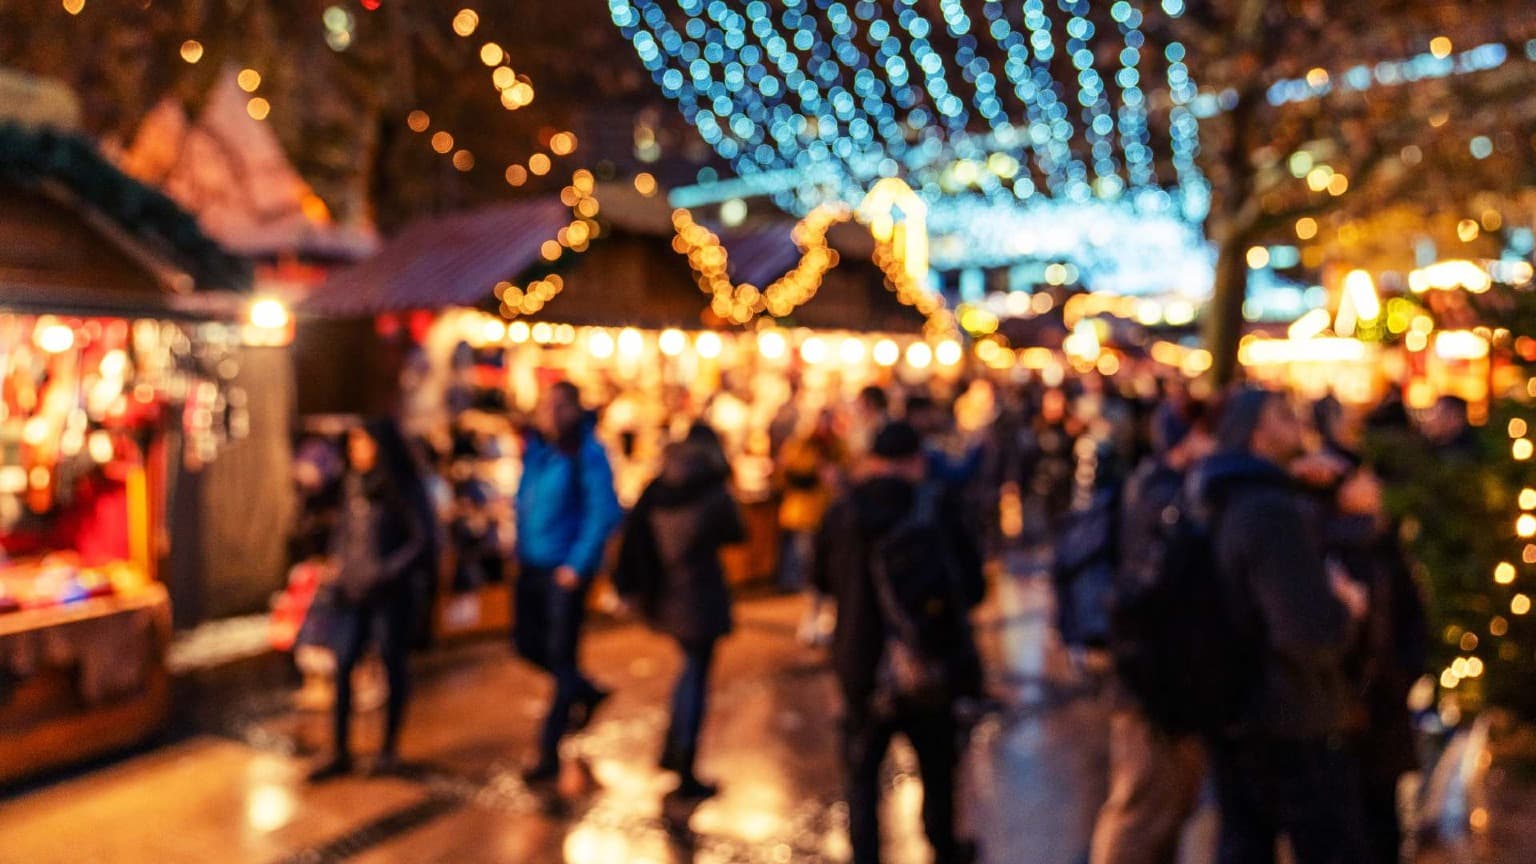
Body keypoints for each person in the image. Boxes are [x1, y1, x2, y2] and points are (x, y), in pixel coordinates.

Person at [1199, 388, 1367, 864]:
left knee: (1244, 843)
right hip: (1294, 715)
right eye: (1284, 416)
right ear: (1257, 432)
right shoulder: (1269, 511)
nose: (1298, 423)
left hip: (1237, 708)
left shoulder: (1220, 495)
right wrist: (1347, 607)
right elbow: (1309, 634)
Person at [813, 421, 984, 864]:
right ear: (917, 461)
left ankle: (866, 854)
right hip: (928, 664)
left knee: (862, 776)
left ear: (872, 462)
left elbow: (820, 578)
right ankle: (943, 845)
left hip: (861, 664)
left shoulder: (842, 513)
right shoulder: (936, 508)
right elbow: (973, 586)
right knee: (937, 765)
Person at [1090, 401, 1214, 864]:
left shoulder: (1159, 486)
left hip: (1156, 679)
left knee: (1164, 806)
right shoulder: (1164, 497)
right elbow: (1149, 595)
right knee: (1141, 809)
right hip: (1150, 682)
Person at [614, 424, 745, 799]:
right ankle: (684, 762)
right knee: (696, 674)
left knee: (690, 669)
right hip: (699, 595)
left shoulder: (658, 488)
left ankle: (673, 751)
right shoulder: (712, 491)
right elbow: (737, 532)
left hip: (667, 594)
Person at [513, 381, 623, 783]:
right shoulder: (539, 450)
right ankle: (584, 690)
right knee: (527, 644)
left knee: (561, 658)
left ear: (575, 409)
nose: (550, 413)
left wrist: (577, 564)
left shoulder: (587, 452)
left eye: (559, 406)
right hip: (532, 565)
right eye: (547, 405)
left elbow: (604, 511)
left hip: (564, 571)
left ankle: (548, 751)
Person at [309, 418, 430, 781]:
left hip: (388, 597)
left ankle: (388, 751)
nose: (357, 450)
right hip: (351, 593)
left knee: (392, 666)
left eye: (364, 442)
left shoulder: (401, 487)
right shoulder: (353, 484)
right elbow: (344, 530)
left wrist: (386, 571)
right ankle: (339, 750)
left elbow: (421, 539)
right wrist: (337, 562)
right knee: (343, 665)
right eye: (354, 443)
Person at [775, 408, 846, 645]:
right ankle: (812, 619)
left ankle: (825, 619)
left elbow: (847, 474)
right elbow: (787, 476)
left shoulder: (839, 447)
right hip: (805, 516)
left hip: (830, 515)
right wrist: (815, 472)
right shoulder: (799, 446)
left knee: (828, 568)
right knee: (811, 567)